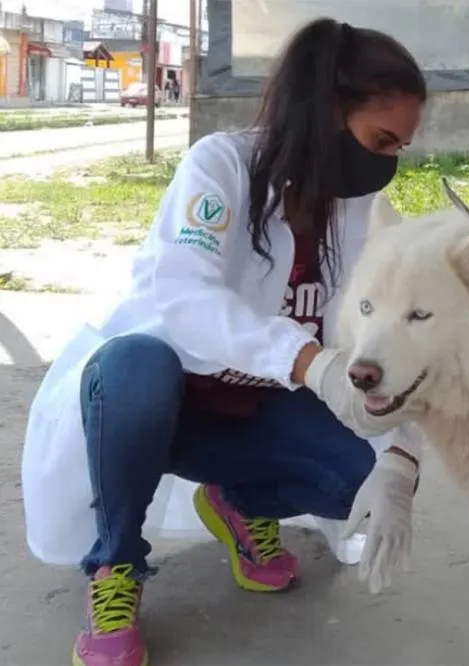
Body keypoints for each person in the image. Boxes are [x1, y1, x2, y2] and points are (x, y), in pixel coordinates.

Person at [21, 18, 427, 666]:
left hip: (253, 406)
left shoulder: (356, 212)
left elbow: (383, 347)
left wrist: (402, 464)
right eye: (381, 139)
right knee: (135, 369)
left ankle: (238, 502)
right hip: (158, 400)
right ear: (327, 111)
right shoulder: (221, 167)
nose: (387, 163)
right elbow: (185, 299)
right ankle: (115, 567)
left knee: (358, 481)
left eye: (399, 148)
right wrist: (308, 362)